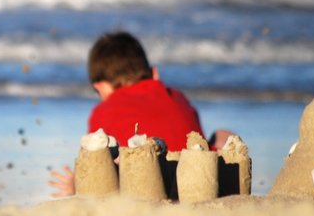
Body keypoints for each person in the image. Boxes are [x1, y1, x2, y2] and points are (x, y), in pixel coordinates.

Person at [49, 31, 231, 197]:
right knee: (223, 135)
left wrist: (76, 185)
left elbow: (95, 164)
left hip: (145, 184)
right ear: (154, 74)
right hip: (201, 179)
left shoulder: (103, 111)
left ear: (100, 87)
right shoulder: (176, 95)